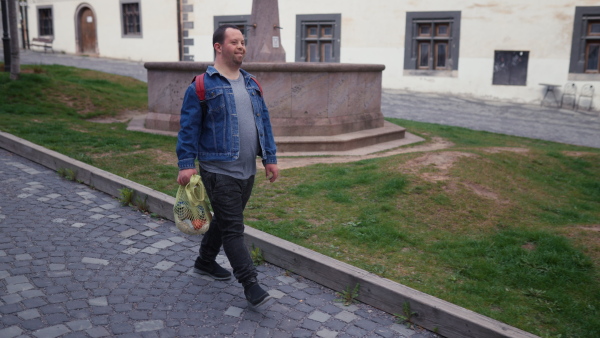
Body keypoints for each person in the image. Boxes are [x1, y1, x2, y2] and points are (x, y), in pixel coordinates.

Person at [176, 24, 279, 308]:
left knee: (223, 219)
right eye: (234, 42)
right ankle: (250, 284)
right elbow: (188, 129)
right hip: (217, 169)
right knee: (234, 227)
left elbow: (264, 123)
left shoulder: (251, 83)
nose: (241, 46)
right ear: (218, 47)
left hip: (247, 169)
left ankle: (204, 262)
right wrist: (186, 164)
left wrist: (270, 158)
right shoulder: (202, 85)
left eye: (243, 42)